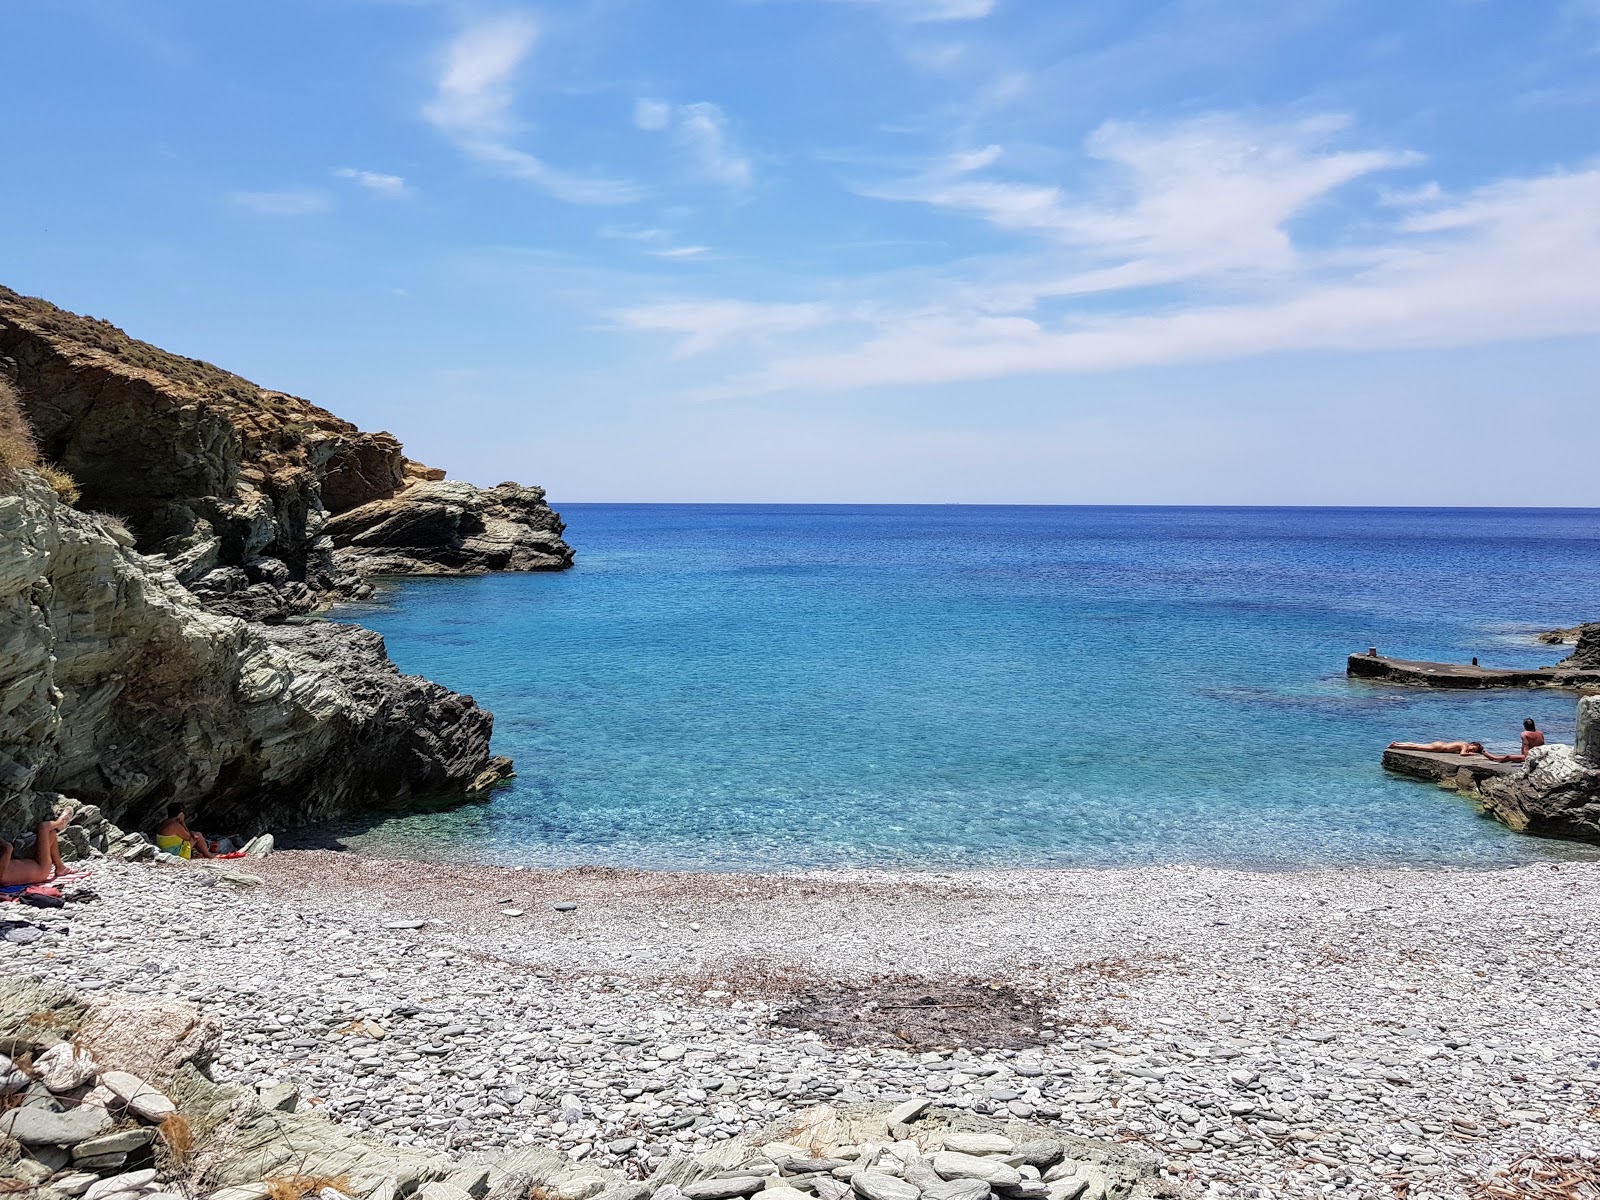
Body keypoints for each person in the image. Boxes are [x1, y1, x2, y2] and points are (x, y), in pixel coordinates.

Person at [0, 811, 71, 885]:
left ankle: (60, 867)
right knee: (43, 827)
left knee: (51, 834)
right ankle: (60, 822)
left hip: (34, 863)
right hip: (41, 868)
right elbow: (8, 848)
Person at [1387, 739, 1486, 756]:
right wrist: (1472, 754)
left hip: (1440, 744)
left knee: (1417, 744)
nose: (1472, 750)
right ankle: (1395, 746)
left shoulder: (1463, 743)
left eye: (1474, 750)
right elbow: (1463, 754)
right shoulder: (1465, 745)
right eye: (1473, 748)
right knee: (1416, 747)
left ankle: (1397, 744)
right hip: (1439, 747)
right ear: (1472, 744)